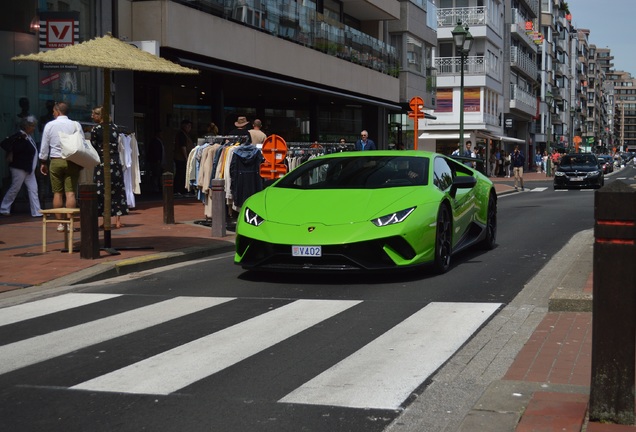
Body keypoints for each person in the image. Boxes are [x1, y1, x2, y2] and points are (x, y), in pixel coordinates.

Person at [39, 101, 81, 233]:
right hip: (71, 161)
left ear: (57, 111)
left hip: (56, 161)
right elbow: (80, 143)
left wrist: (43, 161)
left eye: (53, 111)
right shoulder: (75, 124)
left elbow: (45, 145)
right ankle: (70, 223)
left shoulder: (50, 125)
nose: (52, 113)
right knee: (70, 192)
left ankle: (60, 224)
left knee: (57, 192)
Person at [90, 106, 128, 228]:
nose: (92, 117)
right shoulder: (115, 128)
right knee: (117, 189)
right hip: (115, 162)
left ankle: (105, 220)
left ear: (100, 116)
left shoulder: (96, 129)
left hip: (102, 161)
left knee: (101, 191)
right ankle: (118, 220)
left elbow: (93, 146)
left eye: (94, 114)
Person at [0, 116, 43, 217]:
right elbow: (14, 147)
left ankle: (36, 211)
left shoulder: (28, 137)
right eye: (32, 126)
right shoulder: (20, 136)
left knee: (33, 189)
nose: (34, 128)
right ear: (26, 126)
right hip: (20, 167)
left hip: (28, 168)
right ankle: (4, 208)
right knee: (15, 187)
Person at [173, 119, 194, 195]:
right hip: (181, 158)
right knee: (181, 173)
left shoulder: (186, 134)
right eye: (188, 126)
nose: (189, 128)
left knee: (182, 173)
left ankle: (181, 189)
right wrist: (186, 158)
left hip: (183, 158)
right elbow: (183, 147)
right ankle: (178, 190)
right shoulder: (181, 134)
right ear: (184, 126)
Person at [146, 128, 164, 193]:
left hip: (158, 161)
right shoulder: (155, 142)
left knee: (158, 174)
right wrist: (158, 160)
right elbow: (156, 152)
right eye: (161, 134)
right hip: (155, 161)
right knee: (156, 174)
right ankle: (155, 188)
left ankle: (157, 187)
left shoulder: (159, 141)